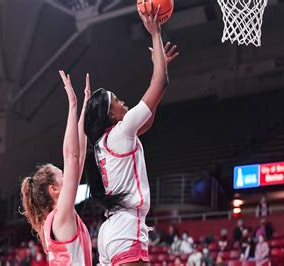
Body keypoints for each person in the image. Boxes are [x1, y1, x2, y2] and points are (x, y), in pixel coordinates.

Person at [83, 3, 179, 265]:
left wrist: (160, 63)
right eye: (116, 100)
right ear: (110, 115)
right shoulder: (120, 132)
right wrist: (156, 34)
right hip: (125, 229)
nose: (122, 101)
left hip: (111, 232)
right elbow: (160, 83)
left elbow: (151, 112)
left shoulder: (105, 142)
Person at [20, 71, 92, 265]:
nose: (67, 173)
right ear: (54, 189)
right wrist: (73, 105)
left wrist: (85, 108)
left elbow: (79, 156)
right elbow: (72, 156)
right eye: (62, 174)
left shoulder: (57, 217)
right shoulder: (61, 216)